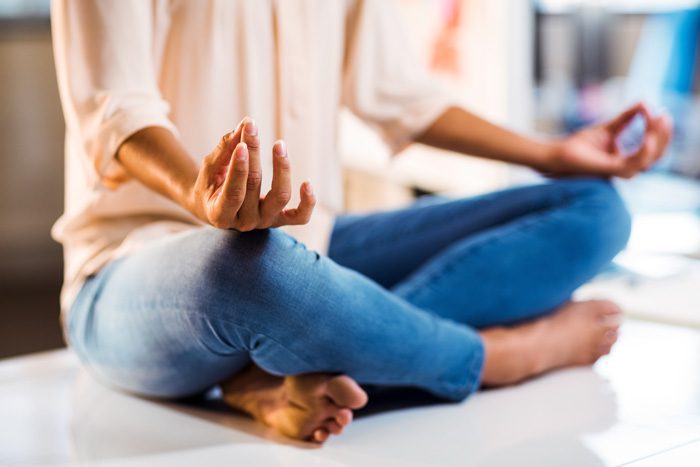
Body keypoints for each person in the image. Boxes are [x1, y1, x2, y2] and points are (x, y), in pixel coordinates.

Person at [51, 0, 672, 444]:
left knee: (594, 209)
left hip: (310, 247)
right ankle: (486, 357)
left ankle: (281, 372)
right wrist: (202, 193)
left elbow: (401, 94)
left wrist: (553, 153)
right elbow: (118, 108)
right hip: (132, 271)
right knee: (247, 268)